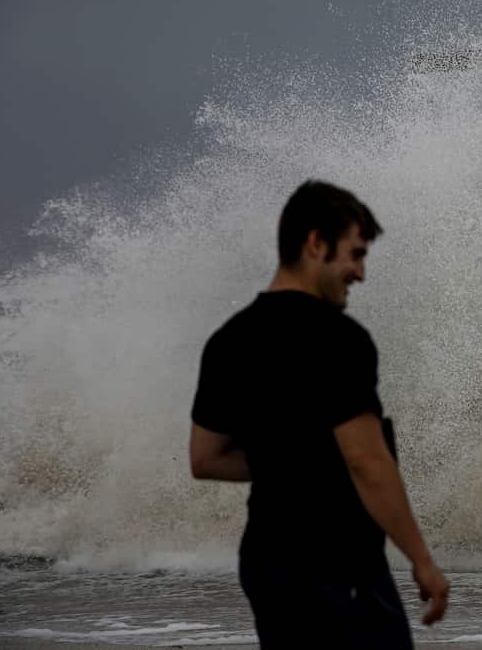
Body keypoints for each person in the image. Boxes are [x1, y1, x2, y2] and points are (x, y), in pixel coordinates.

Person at [189, 180, 449, 649]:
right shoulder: (339, 339)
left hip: (266, 563)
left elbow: (205, 459)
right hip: (337, 564)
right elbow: (366, 462)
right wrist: (422, 560)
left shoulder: (229, 340)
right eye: (355, 253)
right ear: (315, 243)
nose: (361, 272)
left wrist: (287, 458)